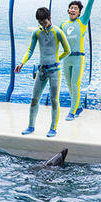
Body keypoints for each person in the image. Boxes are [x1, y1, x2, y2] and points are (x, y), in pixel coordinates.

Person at [15, 7, 70, 137]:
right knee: (34, 98)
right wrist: (22, 63)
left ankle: (53, 128)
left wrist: (57, 60)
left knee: (54, 99)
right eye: (40, 22)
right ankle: (31, 126)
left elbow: (68, 51)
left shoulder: (58, 32)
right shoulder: (37, 33)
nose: (42, 24)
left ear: (49, 18)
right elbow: (30, 50)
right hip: (41, 71)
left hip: (54, 71)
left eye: (44, 22)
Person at [60, 0, 101, 120]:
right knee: (69, 86)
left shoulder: (82, 22)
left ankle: (72, 112)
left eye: (75, 8)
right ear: (68, 10)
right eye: (71, 8)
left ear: (79, 13)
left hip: (78, 58)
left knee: (75, 84)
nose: (72, 10)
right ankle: (77, 107)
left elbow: (89, 6)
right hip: (66, 58)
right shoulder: (63, 24)